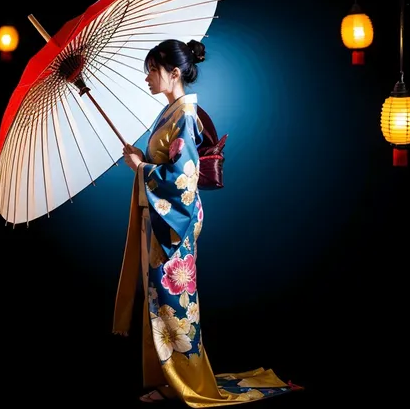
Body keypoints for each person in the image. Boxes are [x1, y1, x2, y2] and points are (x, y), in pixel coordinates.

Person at [113, 39, 301, 406]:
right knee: (161, 303)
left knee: (174, 305)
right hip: (162, 222)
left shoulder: (184, 115)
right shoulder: (172, 112)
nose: (147, 77)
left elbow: (183, 177)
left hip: (174, 225)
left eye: (152, 69)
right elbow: (167, 167)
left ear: (175, 73)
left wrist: (142, 169)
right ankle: (169, 380)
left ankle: (185, 382)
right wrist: (142, 161)